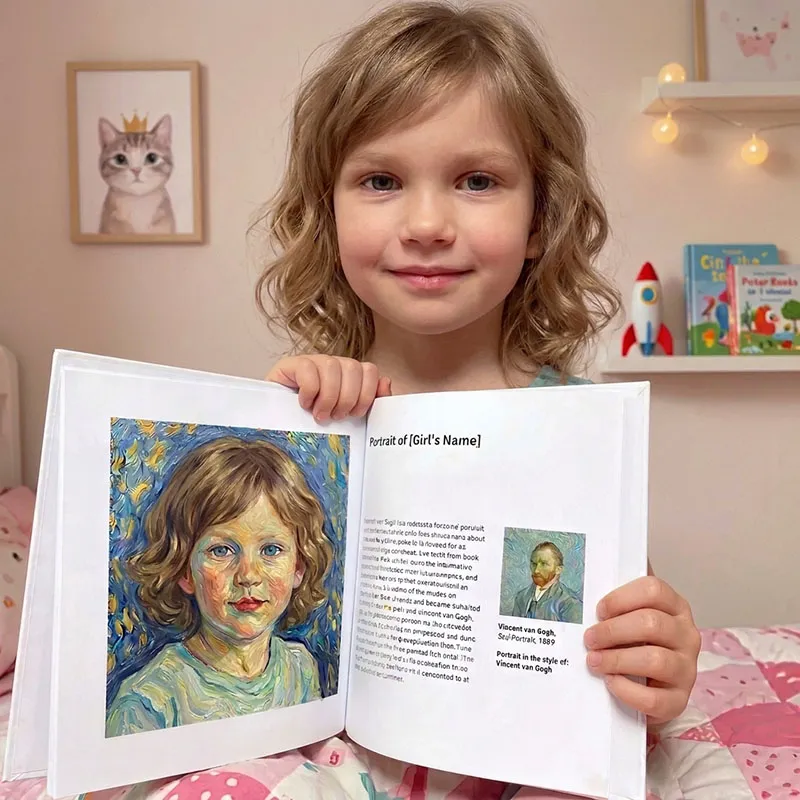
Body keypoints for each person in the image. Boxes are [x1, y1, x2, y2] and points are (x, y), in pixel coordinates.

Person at [255, 0, 701, 792]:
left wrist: (657, 665)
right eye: (381, 180)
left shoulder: (571, 426)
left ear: (541, 218)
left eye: (477, 180)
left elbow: (616, 642)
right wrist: (282, 418)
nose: (427, 223)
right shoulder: (313, 409)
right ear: (328, 212)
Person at [105, 436, 334, 737]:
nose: (248, 575)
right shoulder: (149, 702)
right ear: (184, 570)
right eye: (222, 551)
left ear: (299, 568)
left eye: (271, 550)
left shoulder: (300, 669)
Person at [512, 542, 583, 624]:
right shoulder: (521, 597)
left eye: (544, 564)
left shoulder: (570, 603)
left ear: (558, 569)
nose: (536, 570)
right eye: (533, 564)